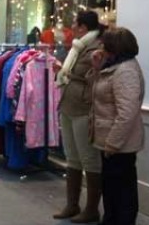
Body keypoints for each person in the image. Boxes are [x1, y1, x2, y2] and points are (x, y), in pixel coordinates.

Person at [53, 11, 104, 223]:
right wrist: (63, 71)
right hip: (68, 104)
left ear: (83, 27)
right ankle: (72, 205)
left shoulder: (97, 47)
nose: (72, 26)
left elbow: (95, 77)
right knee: (72, 157)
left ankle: (91, 209)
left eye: (75, 23)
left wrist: (66, 73)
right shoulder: (78, 47)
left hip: (84, 108)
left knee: (89, 159)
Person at [89, 27, 144, 225]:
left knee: (122, 193)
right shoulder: (113, 66)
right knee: (112, 190)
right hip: (110, 142)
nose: (100, 46)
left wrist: (112, 143)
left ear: (115, 47)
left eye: (104, 43)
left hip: (119, 145)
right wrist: (97, 68)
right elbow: (101, 95)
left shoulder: (125, 71)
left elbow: (127, 113)